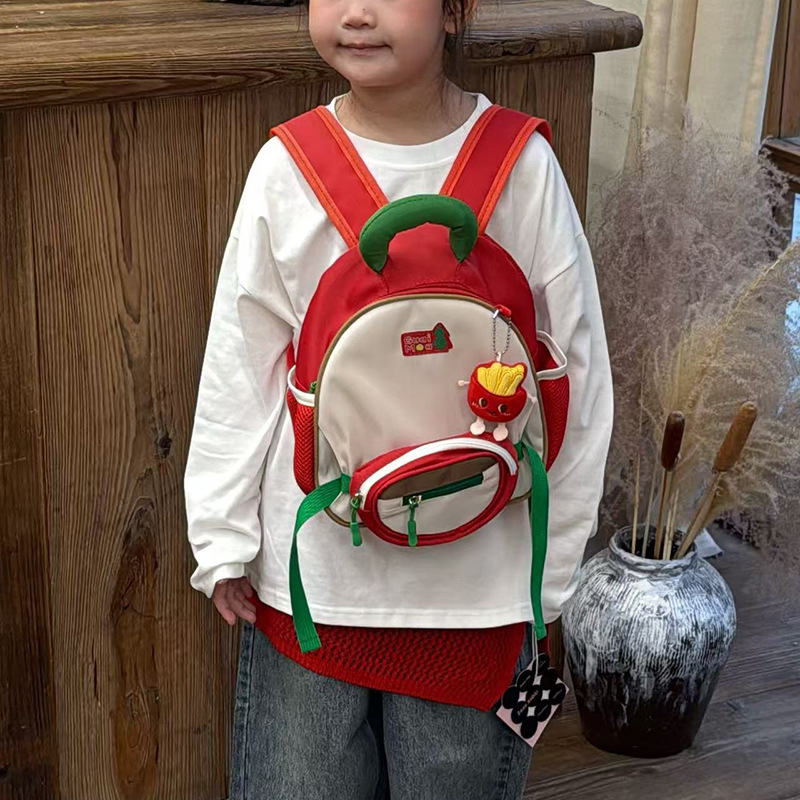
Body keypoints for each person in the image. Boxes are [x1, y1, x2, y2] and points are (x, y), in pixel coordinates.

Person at [183, 0, 614, 798]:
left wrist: (552, 574)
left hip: (479, 602)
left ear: (455, 11)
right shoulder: (285, 167)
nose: (356, 12)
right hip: (313, 591)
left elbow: (578, 371)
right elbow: (239, 365)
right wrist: (222, 538)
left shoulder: (522, 164)